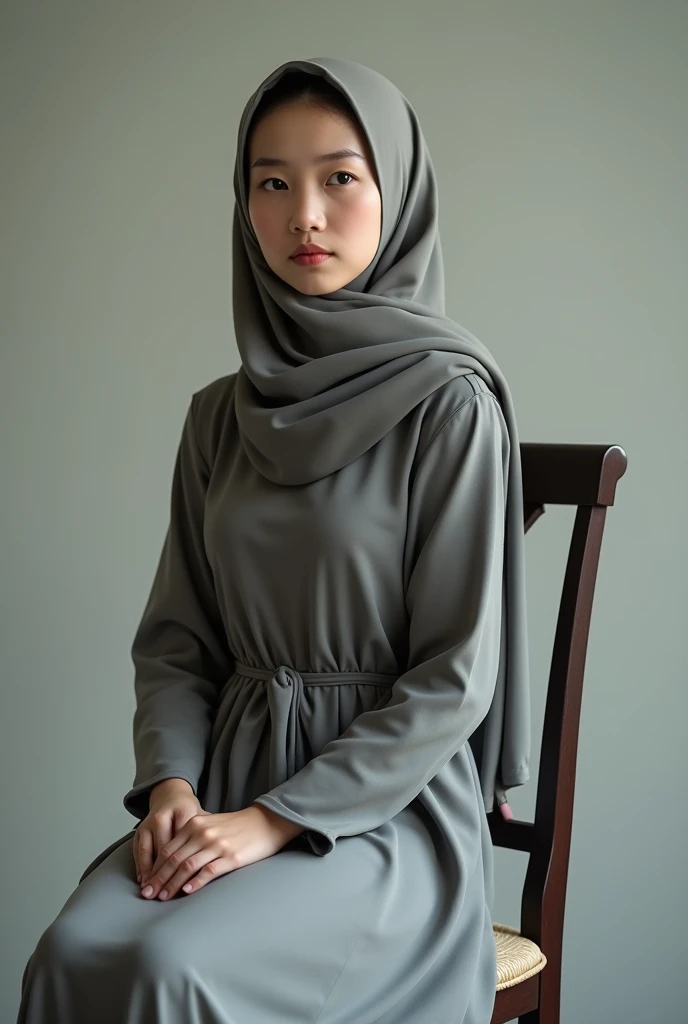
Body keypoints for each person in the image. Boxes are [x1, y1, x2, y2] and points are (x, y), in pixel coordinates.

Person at [17, 56, 530, 1023]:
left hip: (384, 820)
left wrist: (275, 822)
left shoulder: (450, 407)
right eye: (271, 182)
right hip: (221, 791)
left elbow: (454, 679)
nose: (305, 214)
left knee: (173, 975)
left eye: (341, 177)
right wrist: (171, 783)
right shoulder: (218, 419)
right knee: (73, 955)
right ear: (244, 206)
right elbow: (178, 640)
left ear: (398, 194)